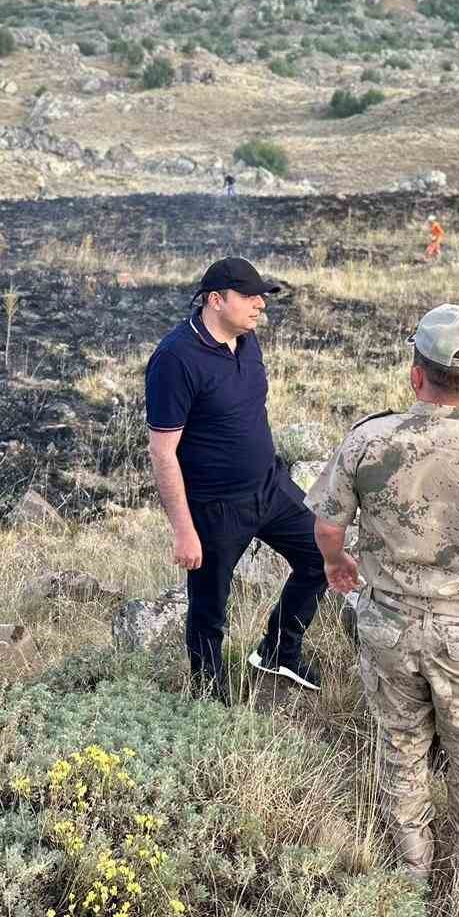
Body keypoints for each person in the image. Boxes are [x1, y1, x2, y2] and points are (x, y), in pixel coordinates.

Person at [307, 304, 459, 889]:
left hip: (387, 622)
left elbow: (329, 528)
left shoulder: (367, 441)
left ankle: (411, 862)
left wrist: (338, 564)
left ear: (415, 373)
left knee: (401, 744)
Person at [145, 257, 327, 701]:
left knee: (321, 553)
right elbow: (162, 452)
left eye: (262, 296)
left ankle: (280, 651)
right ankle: (209, 701)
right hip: (215, 507)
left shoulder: (247, 341)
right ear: (215, 300)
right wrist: (184, 531)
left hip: (270, 485)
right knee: (210, 612)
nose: (260, 305)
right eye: (250, 297)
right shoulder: (175, 360)